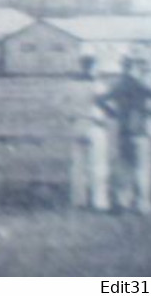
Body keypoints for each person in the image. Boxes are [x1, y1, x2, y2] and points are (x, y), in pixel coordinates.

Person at [97, 57, 151, 215]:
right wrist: (150, 113)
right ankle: (144, 204)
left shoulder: (120, 86)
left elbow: (99, 99)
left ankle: (124, 201)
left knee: (125, 167)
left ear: (123, 68)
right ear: (133, 68)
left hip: (124, 131)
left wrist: (112, 113)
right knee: (143, 168)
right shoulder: (140, 85)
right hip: (140, 129)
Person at [67, 67, 111, 211]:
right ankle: (99, 201)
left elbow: (61, 105)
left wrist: (71, 116)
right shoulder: (98, 86)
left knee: (78, 165)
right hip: (94, 125)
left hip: (78, 124)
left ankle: (78, 200)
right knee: (98, 165)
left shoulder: (71, 86)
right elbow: (105, 105)